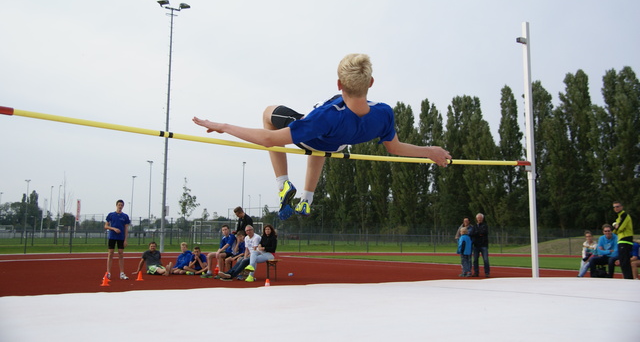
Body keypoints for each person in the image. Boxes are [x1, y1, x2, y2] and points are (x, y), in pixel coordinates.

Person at [193, 53, 451, 220]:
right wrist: (430, 150)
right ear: (371, 83)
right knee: (323, 145)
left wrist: (225, 126)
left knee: (268, 113)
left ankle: (283, 183)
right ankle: (306, 199)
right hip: (336, 143)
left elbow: (270, 139)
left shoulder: (326, 115)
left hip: (314, 134)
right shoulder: (383, 113)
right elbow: (394, 148)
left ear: (339, 85)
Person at [105, 199, 131, 280]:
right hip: (112, 236)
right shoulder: (111, 215)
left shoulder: (125, 216)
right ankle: (108, 273)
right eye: (119, 205)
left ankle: (122, 273)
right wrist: (113, 229)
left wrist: (125, 239)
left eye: (122, 205)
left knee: (120, 254)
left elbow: (126, 228)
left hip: (121, 237)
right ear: (116, 205)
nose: (120, 206)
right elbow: (106, 226)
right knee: (110, 253)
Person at [612, 201, 634, 279]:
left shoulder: (624, 215)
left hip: (625, 240)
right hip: (621, 240)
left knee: (624, 261)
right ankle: (627, 277)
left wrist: (616, 228)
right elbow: (614, 230)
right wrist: (616, 228)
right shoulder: (618, 217)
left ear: (622, 207)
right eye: (614, 207)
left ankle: (628, 279)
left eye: (617, 206)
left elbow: (620, 228)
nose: (616, 208)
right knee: (623, 261)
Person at [471, 213, 490, 277]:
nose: (479, 219)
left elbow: (484, 232)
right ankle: (476, 272)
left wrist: (477, 233)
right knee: (475, 260)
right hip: (476, 245)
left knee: (485, 259)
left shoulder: (485, 226)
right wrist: (478, 233)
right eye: (478, 218)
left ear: (482, 219)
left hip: (483, 245)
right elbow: (472, 234)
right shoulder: (474, 226)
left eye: (480, 218)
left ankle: (487, 273)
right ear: (476, 219)